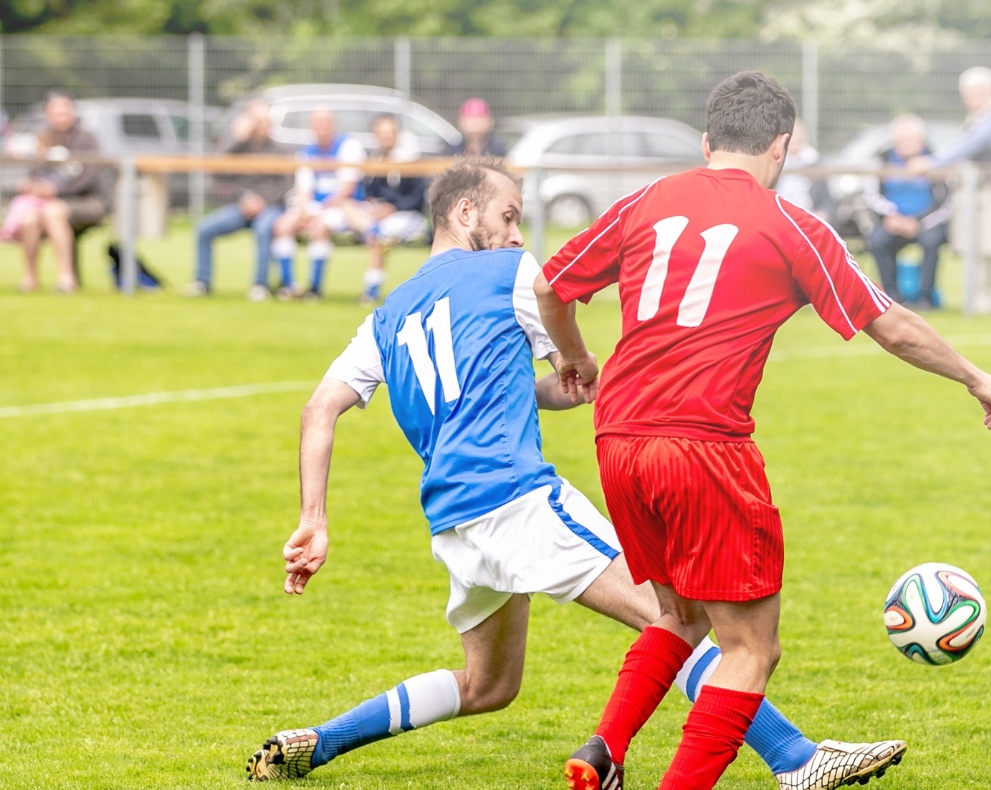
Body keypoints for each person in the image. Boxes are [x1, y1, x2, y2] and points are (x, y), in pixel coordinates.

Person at [246, 160, 904, 790]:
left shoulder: (386, 316)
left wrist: (313, 519)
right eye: (507, 216)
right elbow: (559, 312)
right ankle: (795, 758)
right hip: (516, 499)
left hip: (452, 520)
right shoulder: (507, 272)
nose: (515, 233)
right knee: (671, 616)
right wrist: (581, 362)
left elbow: (320, 409)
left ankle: (321, 740)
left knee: (489, 686)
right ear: (464, 210)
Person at [535, 71, 991, 790]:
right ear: (782, 147)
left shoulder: (647, 199)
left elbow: (551, 284)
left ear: (706, 141)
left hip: (619, 440)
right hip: (703, 446)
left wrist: (572, 356)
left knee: (678, 615)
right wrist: (977, 376)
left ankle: (603, 750)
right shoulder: (790, 225)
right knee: (751, 648)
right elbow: (891, 324)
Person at [908, 66, 991, 318]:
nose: (968, 97)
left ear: (990, 91)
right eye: (966, 92)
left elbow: (969, 145)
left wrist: (932, 163)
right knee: (980, 247)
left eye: (974, 91)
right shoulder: (976, 117)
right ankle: (981, 301)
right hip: (981, 193)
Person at [185, 101, 290, 300]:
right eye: (256, 121)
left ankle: (260, 285)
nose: (262, 125)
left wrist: (262, 202)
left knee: (263, 229)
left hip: (271, 207)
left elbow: (286, 184)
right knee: (203, 229)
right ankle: (202, 282)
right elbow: (214, 166)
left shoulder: (280, 150)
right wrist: (237, 137)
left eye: (265, 120)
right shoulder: (239, 147)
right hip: (243, 206)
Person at [8, 92, 110, 294]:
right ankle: (30, 278)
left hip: (86, 200)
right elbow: (35, 172)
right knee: (28, 218)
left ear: (73, 112)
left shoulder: (87, 138)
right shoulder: (43, 138)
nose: (61, 116)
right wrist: (33, 186)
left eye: (65, 111)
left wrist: (56, 190)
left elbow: (90, 176)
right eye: (56, 112)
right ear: (48, 114)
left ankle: (66, 278)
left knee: (53, 212)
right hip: (46, 203)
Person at [271, 108, 367, 300]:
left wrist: (318, 212)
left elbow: (346, 189)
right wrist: (305, 210)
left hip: (345, 207)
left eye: (325, 125)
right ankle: (289, 286)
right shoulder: (307, 152)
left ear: (333, 125)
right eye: (317, 126)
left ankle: (314, 289)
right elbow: (304, 189)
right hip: (315, 208)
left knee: (319, 227)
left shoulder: (349, 147)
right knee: (282, 225)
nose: (321, 130)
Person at [340, 114, 428, 306]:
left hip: (406, 215)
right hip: (376, 215)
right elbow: (369, 192)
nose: (386, 138)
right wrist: (375, 206)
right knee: (346, 206)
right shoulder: (375, 160)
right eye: (381, 134)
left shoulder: (411, 160)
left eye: (390, 133)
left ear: (397, 134)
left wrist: (392, 208)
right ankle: (371, 229)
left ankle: (371, 291)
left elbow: (417, 199)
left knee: (379, 236)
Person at [865, 114, 952, 307]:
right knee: (877, 241)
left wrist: (918, 222)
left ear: (921, 140)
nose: (904, 144)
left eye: (909, 140)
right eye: (900, 140)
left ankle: (925, 297)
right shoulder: (882, 160)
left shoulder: (936, 160)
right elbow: (872, 196)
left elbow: (944, 203)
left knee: (932, 241)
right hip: (893, 221)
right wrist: (892, 216)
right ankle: (892, 298)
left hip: (927, 223)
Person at [774, 119, 821, 213]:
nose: (796, 140)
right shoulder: (775, 160)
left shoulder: (813, 160)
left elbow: (825, 199)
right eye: (793, 137)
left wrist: (823, 212)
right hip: (780, 212)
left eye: (799, 137)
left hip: (807, 212)